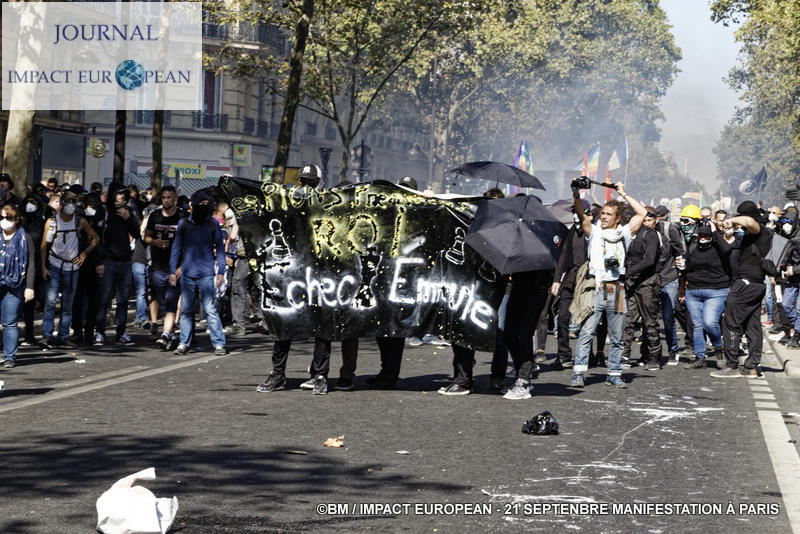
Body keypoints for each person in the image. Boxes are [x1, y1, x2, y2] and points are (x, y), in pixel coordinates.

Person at [570, 181, 647, 389]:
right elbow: (581, 215)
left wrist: (623, 192)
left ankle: (614, 373)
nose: (603, 216)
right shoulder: (594, 231)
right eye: (602, 213)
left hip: (616, 289)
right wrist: (576, 195)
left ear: (618, 218)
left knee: (617, 336)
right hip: (595, 287)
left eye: (608, 214)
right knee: (587, 332)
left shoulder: (624, 233)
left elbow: (641, 214)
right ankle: (578, 373)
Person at [712, 201, 771, 378]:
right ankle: (751, 366)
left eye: (739, 215)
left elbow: (751, 223)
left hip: (746, 283)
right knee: (752, 326)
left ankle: (731, 365)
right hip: (755, 284)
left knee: (730, 322)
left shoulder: (757, 229)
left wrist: (733, 220)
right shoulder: (753, 234)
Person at [169, 190, 227, 356]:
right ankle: (184, 343)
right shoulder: (184, 224)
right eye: (200, 205)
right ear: (192, 207)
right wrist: (173, 270)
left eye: (205, 205)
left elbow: (220, 250)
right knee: (187, 310)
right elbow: (176, 247)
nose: (203, 208)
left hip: (206, 273)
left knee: (209, 310)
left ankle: (219, 344)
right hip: (188, 273)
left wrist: (220, 271)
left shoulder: (212, 224)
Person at [39, 191, 99, 349]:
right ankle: (47, 335)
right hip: (54, 264)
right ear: (62, 203)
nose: (71, 204)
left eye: (74, 201)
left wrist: (84, 254)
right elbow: (44, 246)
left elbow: (95, 238)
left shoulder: (80, 221)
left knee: (68, 304)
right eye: (68, 201)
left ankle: (63, 336)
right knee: (51, 302)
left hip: (72, 268)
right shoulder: (52, 221)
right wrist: (44, 267)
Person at [681, 216, 733, 369]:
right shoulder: (693, 246)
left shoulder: (719, 246)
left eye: (706, 236)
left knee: (709, 323)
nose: (703, 239)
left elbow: (728, 249)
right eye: (701, 236)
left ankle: (718, 348)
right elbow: (687, 266)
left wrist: (716, 231)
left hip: (716, 291)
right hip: (694, 291)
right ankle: (699, 357)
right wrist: (682, 267)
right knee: (697, 325)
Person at [94, 185, 140, 346]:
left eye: (123, 197)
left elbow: (137, 233)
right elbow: (96, 237)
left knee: (122, 300)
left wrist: (128, 218)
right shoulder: (104, 211)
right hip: (107, 261)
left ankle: (121, 332)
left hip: (125, 261)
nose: (120, 200)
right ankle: (99, 332)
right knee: (104, 299)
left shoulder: (128, 212)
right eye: (117, 196)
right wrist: (99, 261)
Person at [621, 207, 663, 370]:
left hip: (647, 283)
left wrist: (629, 271)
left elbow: (650, 260)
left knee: (649, 322)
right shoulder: (629, 234)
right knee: (628, 321)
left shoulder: (650, 234)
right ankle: (624, 355)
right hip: (632, 283)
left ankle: (654, 356)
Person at [144, 186, 183, 351]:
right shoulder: (155, 215)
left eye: (169, 197)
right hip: (158, 266)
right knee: (160, 299)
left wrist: (182, 265)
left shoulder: (183, 216)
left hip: (175, 267)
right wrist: (155, 242)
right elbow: (146, 236)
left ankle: (166, 333)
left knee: (171, 301)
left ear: (175, 198)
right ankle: (171, 334)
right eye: (163, 197)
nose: (166, 200)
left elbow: (190, 243)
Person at [0, 204, 36, 368]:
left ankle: (9, 357)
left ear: (16, 219)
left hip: (15, 285)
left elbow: (31, 263)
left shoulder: (24, 237)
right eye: (1, 217)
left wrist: (29, 286)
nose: (4, 221)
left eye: (8, 218)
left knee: (10, 322)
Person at [656, 204, 685, 365]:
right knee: (650, 318)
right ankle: (649, 353)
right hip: (652, 279)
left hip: (669, 277)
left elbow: (680, 252)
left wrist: (680, 278)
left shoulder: (669, 229)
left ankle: (673, 350)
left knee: (668, 316)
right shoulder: (643, 229)